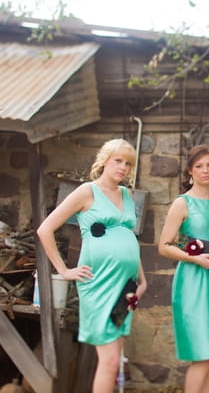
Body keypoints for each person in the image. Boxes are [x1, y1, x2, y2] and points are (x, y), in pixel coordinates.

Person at [37, 138, 147, 393]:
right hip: (99, 283)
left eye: (128, 163)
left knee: (115, 359)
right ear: (105, 160)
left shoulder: (127, 195)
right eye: (118, 160)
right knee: (109, 360)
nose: (123, 167)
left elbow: (129, 238)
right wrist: (64, 270)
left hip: (126, 284)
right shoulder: (87, 191)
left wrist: (143, 280)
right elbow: (45, 230)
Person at [158, 145, 209, 393]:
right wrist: (195, 259)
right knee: (202, 354)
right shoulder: (181, 203)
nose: (205, 171)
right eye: (199, 166)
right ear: (189, 171)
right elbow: (163, 246)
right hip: (193, 281)